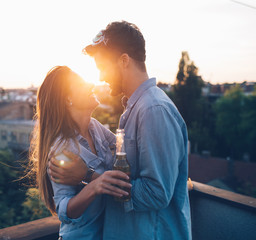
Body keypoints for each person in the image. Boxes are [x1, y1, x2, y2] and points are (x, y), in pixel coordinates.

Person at [48, 21, 192, 239]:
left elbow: (156, 194)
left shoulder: (153, 110)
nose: (100, 77)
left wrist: (88, 176)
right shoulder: (135, 109)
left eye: (103, 67)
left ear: (124, 60)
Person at [29, 66, 131, 240]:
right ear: (68, 99)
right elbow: (63, 210)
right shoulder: (61, 150)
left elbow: (126, 150)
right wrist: (93, 187)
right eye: (81, 84)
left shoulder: (95, 127)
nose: (90, 84)